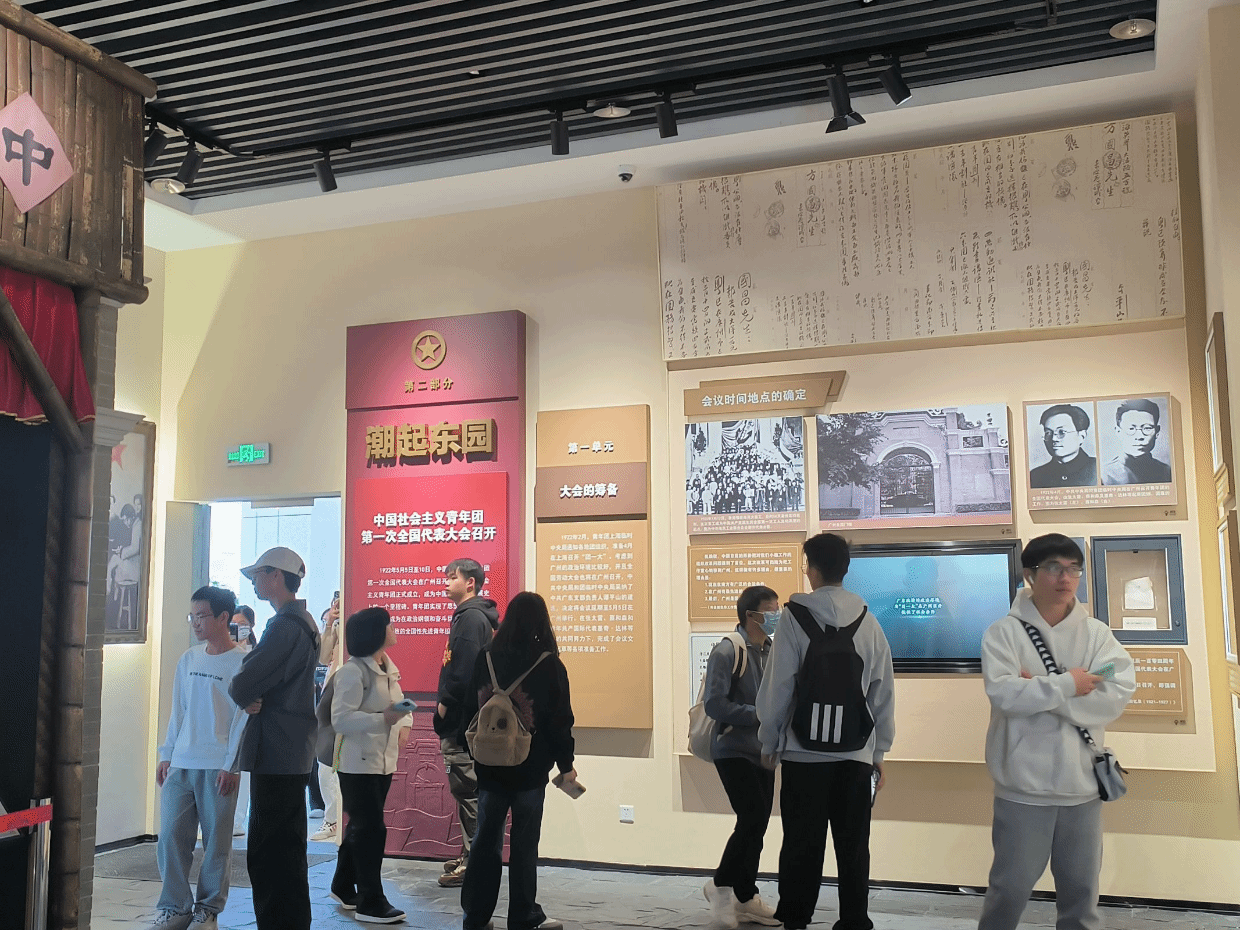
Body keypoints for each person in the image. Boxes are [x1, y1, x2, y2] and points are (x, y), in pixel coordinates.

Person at [977, 533, 1135, 930]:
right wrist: (1069, 684)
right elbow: (1004, 694)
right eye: (1053, 568)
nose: (1065, 578)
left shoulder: (1097, 634)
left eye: (1073, 569)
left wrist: (1042, 690)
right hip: (1022, 789)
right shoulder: (1003, 633)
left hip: (1082, 788)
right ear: (1029, 575)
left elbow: (1115, 685)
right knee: (1008, 891)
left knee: (1082, 897)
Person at [757, 532, 896, 930]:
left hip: (803, 754)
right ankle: (854, 920)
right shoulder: (869, 622)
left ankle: (795, 919)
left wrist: (770, 740)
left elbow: (778, 686)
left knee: (801, 844)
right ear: (845, 569)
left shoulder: (793, 619)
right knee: (854, 846)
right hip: (855, 755)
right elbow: (883, 691)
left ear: (812, 569)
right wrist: (879, 752)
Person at [459, 592, 577, 930]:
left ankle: (476, 915)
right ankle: (523, 915)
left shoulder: (486, 657)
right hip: (530, 769)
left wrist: (474, 753)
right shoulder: (549, 664)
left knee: (485, 841)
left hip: (489, 769)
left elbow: (470, 709)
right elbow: (559, 721)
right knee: (525, 844)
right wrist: (565, 764)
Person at [228, 547, 321, 930]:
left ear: (276, 576)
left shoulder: (283, 626)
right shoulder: (305, 622)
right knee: (288, 851)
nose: (253, 582)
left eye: (258, 574)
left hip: (276, 750)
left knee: (269, 854)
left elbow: (242, 683)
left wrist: (247, 691)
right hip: (292, 750)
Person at [150, 586, 247, 930]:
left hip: (218, 765)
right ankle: (176, 908)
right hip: (181, 762)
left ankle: (208, 911)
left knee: (216, 844)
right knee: (170, 837)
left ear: (223, 617)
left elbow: (242, 719)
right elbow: (179, 710)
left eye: (202, 616)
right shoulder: (189, 659)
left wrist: (231, 764)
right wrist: (167, 754)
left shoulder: (242, 662)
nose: (195, 623)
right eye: (192, 616)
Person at [702, 586, 782, 929]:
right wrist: (758, 715)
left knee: (758, 824)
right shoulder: (727, 650)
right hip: (732, 749)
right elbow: (714, 704)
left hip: (763, 750)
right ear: (751, 615)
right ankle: (720, 886)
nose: (776, 616)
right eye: (771, 610)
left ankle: (746, 896)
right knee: (750, 818)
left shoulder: (772, 650)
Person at [329, 607, 412, 923]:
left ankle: (342, 885)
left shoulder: (388, 667)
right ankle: (370, 901)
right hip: (357, 763)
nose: (394, 628)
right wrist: (383, 719)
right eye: (388, 624)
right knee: (371, 830)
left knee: (361, 826)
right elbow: (341, 720)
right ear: (375, 632)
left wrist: (405, 721)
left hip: (383, 760)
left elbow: (400, 703)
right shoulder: (352, 672)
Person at [434, 558, 500, 887]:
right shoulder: (472, 615)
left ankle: (474, 861)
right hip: (469, 720)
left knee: (468, 790)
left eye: (452, 577)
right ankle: (469, 854)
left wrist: (444, 707)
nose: (446, 582)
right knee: (467, 791)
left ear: (470, 582)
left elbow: (462, 671)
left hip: (463, 722)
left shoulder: (471, 618)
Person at [312, 595, 344, 844]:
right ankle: (332, 819)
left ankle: (338, 820)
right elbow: (323, 658)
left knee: (339, 765)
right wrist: (330, 624)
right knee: (325, 763)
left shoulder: (358, 623)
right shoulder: (335, 625)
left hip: (349, 692)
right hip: (331, 693)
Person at [229, 605, 257, 838]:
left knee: (243, 770)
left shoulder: (256, 651)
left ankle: (238, 819)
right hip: (226, 717)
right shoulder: (224, 651)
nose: (238, 629)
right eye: (234, 625)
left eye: (243, 625)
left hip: (249, 719)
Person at [1102, 398, 1172, 485]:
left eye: (1147, 428)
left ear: (1157, 432)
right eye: (1131, 428)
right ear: (1118, 431)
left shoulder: (1167, 472)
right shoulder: (1104, 475)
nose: (1139, 436)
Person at [1029, 404, 1097, 488]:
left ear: (1081, 436)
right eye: (1048, 433)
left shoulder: (1098, 469)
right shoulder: (1035, 476)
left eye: (1061, 432)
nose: (1054, 439)